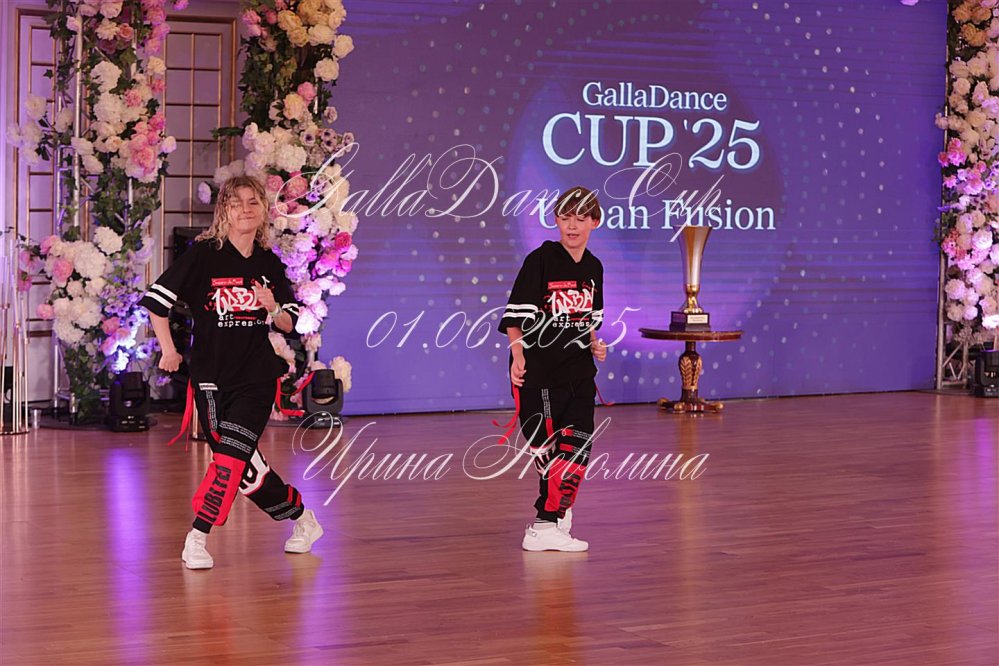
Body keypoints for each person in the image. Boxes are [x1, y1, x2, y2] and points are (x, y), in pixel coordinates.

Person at [140, 175, 323, 570]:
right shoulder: (204, 256)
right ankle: (301, 517)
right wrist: (169, 350)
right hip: (210, 379)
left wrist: (273, 307)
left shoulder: (268, 263)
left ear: (263, 210)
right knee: (242, 466)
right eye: (236, 202)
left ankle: (198, 536)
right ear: (224, 210)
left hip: (256, 378)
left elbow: (289, 324)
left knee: (229, 460)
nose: (245, 209)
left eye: (253, 201)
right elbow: (156, 303)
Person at [497, 186, 608, 552]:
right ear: (556, 220)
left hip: (580, 373)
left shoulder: (594, 268)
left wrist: (596, 344)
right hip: (540, 374)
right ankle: (545, 524)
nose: (572, 226)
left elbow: (588, 319)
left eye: (580, 218)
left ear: (594, 222)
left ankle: (553, 517)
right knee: (548, 453)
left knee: (577, 447)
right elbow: (514, 318)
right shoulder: (540, 260)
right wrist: (518, 355)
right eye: (565, 218)